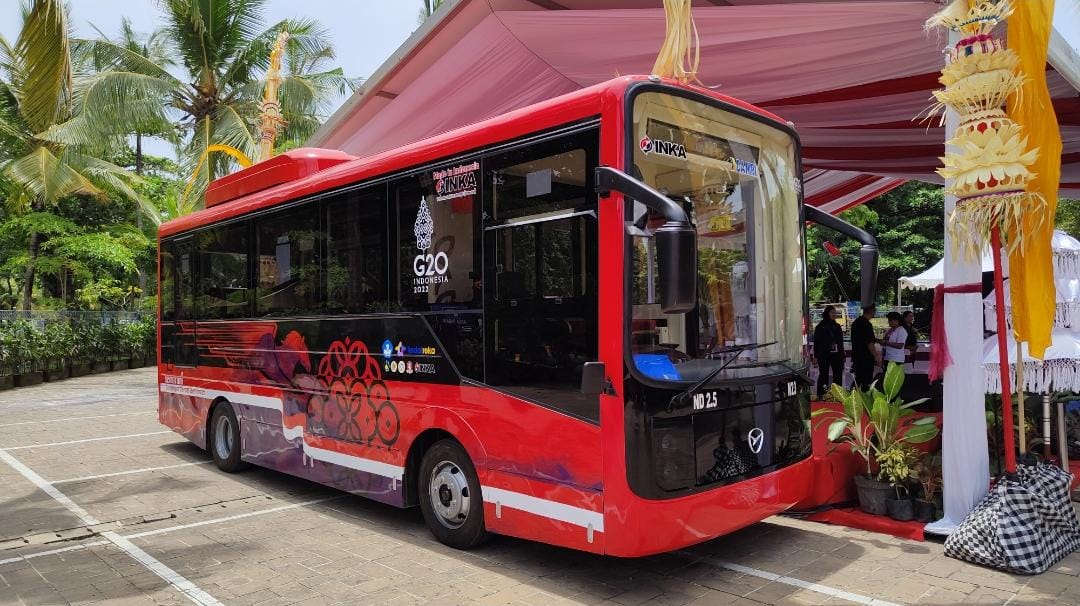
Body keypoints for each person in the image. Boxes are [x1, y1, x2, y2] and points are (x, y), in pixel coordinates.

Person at [813, 305, 846, 399]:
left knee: (838, 374)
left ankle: (838, 395)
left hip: (837, 354)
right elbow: (817, 342)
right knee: (823, 375)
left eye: (835, 313)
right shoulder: (821, 326)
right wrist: (816, 356)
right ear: (827, 313)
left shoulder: (837, 326)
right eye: (832, 313)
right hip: (824, 354)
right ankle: (822, 394)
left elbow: (840, 341)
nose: (834, 315)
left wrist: (842, 354)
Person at [850, 304, 878, 390]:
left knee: (858, 379)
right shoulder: (867, 324)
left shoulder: (856, 322)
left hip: (857, 355)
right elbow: (869, 342)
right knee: (866, 380)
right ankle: (864, 400)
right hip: (865, 357)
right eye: (874, 311)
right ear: (871, 311)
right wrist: (876, 356)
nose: (875, 313)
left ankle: (852, 397)